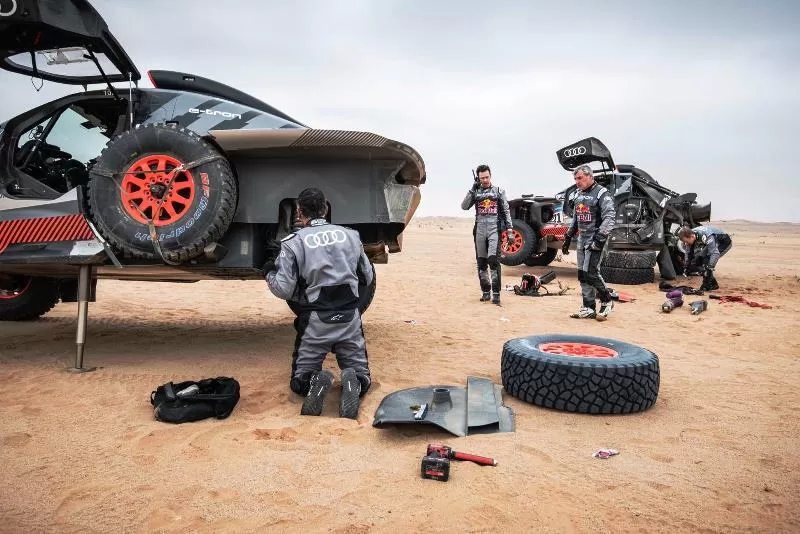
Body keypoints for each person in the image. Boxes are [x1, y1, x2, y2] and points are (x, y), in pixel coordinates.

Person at [265, 187, 372, 419]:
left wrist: (268, 272)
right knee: (363, 377)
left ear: (299, 213)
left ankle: (313, 379)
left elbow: (282, 289)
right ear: (326, 209)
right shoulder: (351, 236)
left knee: (299, 382)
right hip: (350, 319)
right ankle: (354, 380)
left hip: (315, 323)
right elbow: (368, 276)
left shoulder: (293, 242)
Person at [561, 164, 617, 321]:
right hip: (582, 239)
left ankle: (607, 301)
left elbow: (609, 217)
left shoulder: (602, 193)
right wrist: (567, 237)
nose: (577, 181)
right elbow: (577, 218)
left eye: (580, 178)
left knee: (591, 273)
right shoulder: (578, 194)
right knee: (582, 275)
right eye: (575, 179)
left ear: (590, 176)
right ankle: (588, 307)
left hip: (595, 239)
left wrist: (600, 238)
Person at [460, 164, 514, 305]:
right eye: (482, 178)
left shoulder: (498, 191)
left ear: (491, 176)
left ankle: (496, 293)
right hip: (479, 229)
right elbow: (464, 206)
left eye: (487, 177)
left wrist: (510, 231)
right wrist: (472, 189)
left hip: (494, 228)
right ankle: (485, 292)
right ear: (478, 178)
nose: (485, 180)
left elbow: (506, 212)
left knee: (493, 260)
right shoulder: (476, 192)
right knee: (482, 262)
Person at [676, 225, 732, 291]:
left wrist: (710, 267)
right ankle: (712, 283)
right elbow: (688, 253)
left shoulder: (705, 235)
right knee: (699, 258)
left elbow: (714, 253)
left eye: (686, 242)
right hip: (714, 241)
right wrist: (686, 266)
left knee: (708, 262)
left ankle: (708, 285)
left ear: (691, 236)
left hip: (723, 242)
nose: (685, 244)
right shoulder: (691, 235)